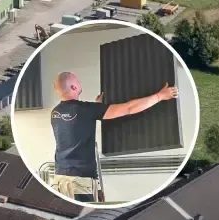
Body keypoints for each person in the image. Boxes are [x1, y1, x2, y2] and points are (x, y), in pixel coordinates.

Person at [50, 71, 179, 201]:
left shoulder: (55, 112)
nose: (79, 82)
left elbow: (76, 125)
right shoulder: (86, 109)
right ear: (74, 87)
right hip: (79, 182)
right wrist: (159, 96)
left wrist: (98, 107)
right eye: (77, 80)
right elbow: (129, 108)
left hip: (59, 179)